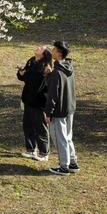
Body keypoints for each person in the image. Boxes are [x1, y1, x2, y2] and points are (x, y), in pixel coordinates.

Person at [44, 41, 79, 176]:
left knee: (60, 138)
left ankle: (63, 166)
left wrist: (48, 112)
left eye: (54, 49)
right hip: (70, 107)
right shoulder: (69, 67)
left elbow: (53, 94)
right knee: (68, 136)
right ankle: (72, 162)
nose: (52, 51)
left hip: (59, 110)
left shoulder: (57, 72)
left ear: (59, 53)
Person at [17, 46, 53, 161]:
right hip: (28, 98)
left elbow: (41, 84)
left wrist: (45, 74)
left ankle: (44, 152)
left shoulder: (46, 66)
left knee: (40, 127)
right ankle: (31, 149)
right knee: (28, 125)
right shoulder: (31, 60)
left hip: (39, 101)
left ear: (44, 54)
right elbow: (25, 78)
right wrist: (21, 73)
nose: (38, 48)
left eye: (41, 48)